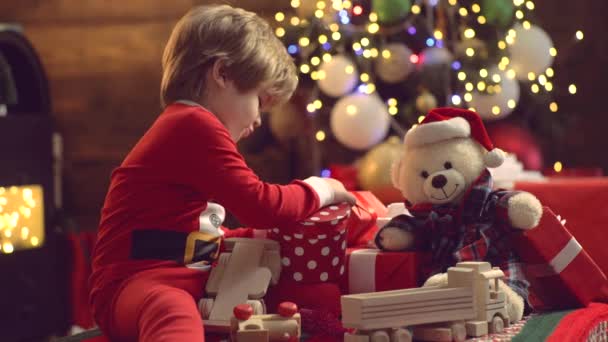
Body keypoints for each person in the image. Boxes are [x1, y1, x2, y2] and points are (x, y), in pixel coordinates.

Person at [88, 4, 355, 341]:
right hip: (139, 284)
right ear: (223, 73)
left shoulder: (190, 127)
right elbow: (261, 205)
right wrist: (322, 189)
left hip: (180, 273)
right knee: (172, 312)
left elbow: (193, 227)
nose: (258, 120)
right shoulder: (192, 124)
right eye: (259, 99)